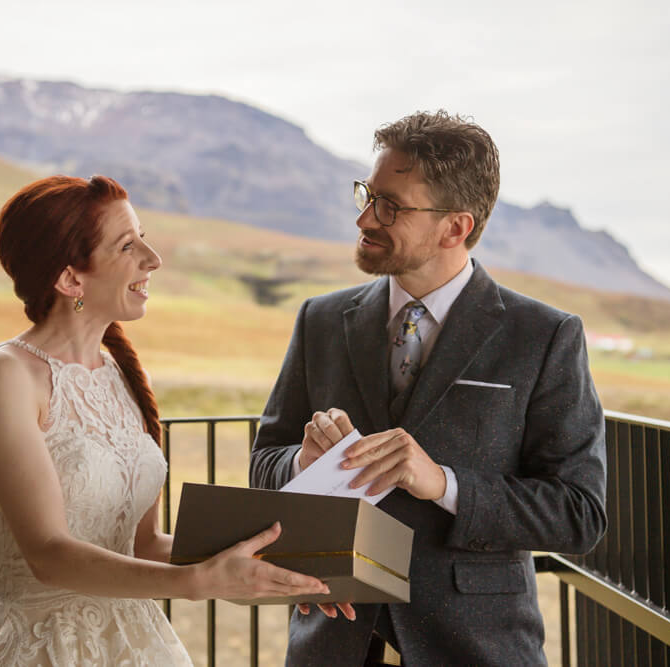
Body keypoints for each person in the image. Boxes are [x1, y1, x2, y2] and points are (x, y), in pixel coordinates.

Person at [250, 111, 608, 666]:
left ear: (455, 228)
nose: (365, 218)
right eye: (368, 195)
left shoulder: (543, 335)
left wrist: (442, 483)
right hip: (333, 645)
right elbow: (263, 466)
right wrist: (302, 462)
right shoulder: (319, 321)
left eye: (390, 206)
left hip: (477, 650)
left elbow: (577, 513)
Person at [0, 175, 330, 666]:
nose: (153, 258)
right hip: (40, 648)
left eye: (142, 237)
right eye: (127, 245)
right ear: (71, 280)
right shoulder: (3, 377)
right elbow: (48, 555)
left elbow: (143, 545)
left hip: (137, 645)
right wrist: (194, 583)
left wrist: (291, 571)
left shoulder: (123, 374)